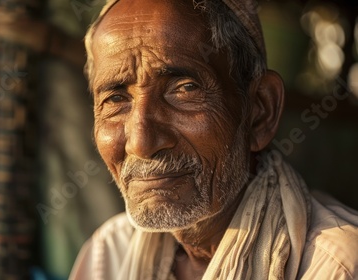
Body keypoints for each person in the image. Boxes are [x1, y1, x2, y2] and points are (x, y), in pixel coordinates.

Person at [69, 0, 358, 279]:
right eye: (116, 99)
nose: (141, 144)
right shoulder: (109, 255)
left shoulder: (335, 267)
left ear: (259, 112)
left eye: (184, 89)